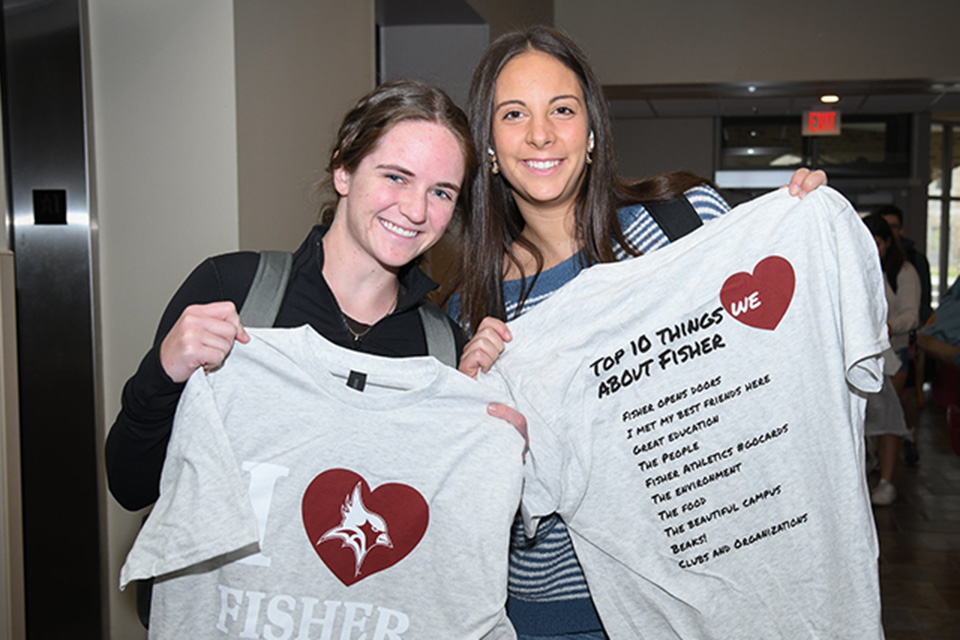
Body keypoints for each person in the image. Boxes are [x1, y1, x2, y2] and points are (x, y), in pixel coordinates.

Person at [447, 25, 827, 639]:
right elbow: (482, 500)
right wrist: (470, 410)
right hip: (555, 614)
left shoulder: (685, 226)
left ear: (592, 132)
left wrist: (801, 235)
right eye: (513, 114)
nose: (540, 134)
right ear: (488, 146)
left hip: (711, 593)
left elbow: (771, 376)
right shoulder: (475, 311)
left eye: (562, 110)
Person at [105, 79, 523, 513]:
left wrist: (493, 445)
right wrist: (162, 372)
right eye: (396, 177)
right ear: (344, 170)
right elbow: (131, 485)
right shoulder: (235, 293)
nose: (417, 211)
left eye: (440, 192)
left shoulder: (442, 352)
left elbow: (439, 528)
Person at [862, 213, 921, 506]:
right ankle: (870, 467)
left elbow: (912, 314)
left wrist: (889, 327)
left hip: (892, 355)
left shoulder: (903, 272)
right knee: (862, 420)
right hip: (862, 354)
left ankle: (886, 481)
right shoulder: (854, 269)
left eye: (878, 245)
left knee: (887, 418)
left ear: (887, 243)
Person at [877, 204, 931, 465]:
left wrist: (891, 328)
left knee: (893, 409)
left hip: (898, 350)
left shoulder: (908, 267)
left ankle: (904, 443)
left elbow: (915, 312)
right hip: (872, 352)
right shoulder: (861, 269)